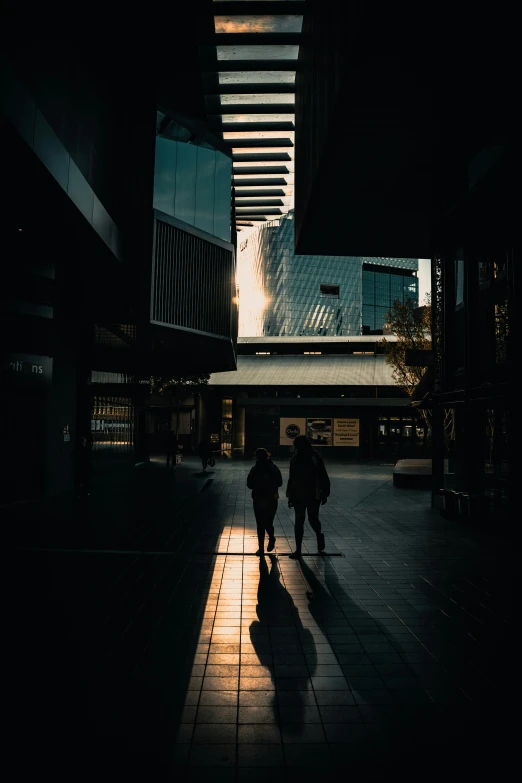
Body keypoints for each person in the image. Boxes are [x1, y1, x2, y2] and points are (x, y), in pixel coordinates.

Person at [286, 435, 330, 559]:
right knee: (305, 520)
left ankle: (315, 536)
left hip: (308, 494)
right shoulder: (312, 457)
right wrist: (325, 492)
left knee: (308, 519)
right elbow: (323, 476)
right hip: (308, 495)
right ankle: (299, 549)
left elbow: (322, 475)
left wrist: (290, 495)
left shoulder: (307, 458)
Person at [247, 448, 283, 556]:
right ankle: (271, 538)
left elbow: (249, 484)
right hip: (271, 498)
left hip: (258, 498)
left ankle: (261, 548)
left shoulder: (255, 469)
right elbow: (280, 482)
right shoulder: (273, 468)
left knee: (260, 524)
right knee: (268, 522)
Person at [71, 434, 92, 500]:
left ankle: (78, 494)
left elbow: (72, 456)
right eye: (84, 441)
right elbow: (87, 460)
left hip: (78, 468)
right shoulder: (85, 450)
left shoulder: (77, 449)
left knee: (78, 481)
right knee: (84, 481)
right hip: (83, 468)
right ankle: (84, 494)